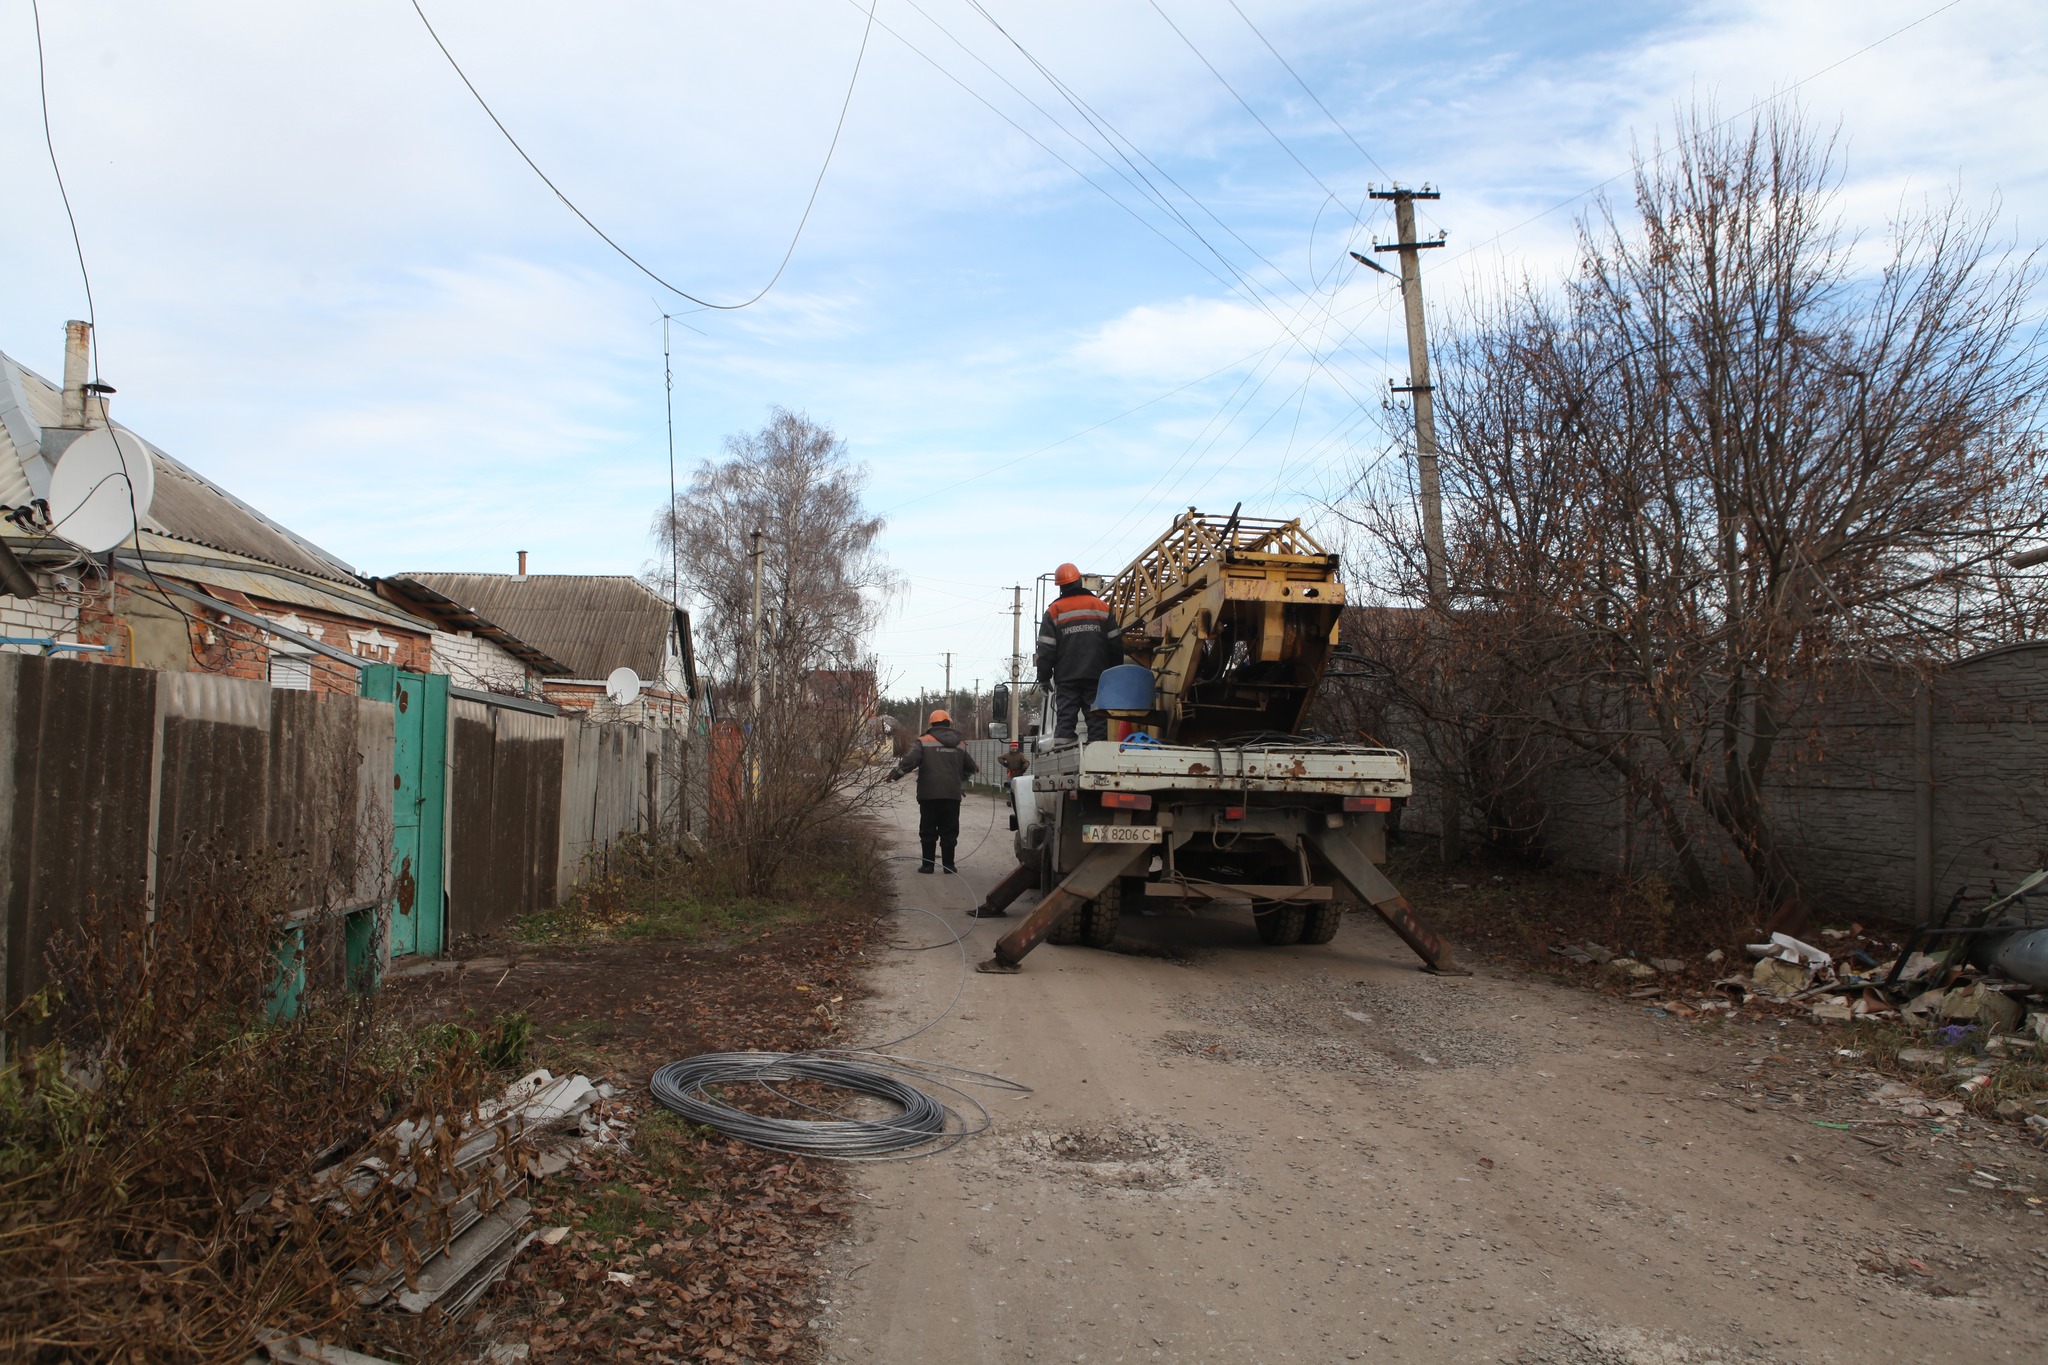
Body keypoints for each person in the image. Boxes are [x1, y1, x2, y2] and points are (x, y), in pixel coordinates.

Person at [1035, 563, 1122, 743]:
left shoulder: (1054, 611)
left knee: (1065, 721)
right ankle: (1096, 759)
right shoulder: (1101, 607)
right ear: (1080, 580)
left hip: (1067, 677)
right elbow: (1115, 643)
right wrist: (1114, 672)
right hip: (1097, 675)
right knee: (1097, 721)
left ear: (1060, 586)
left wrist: (1043, 677)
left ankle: (1063, 758)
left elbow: (1045, 650)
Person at [886, 709, 979, 874]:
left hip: (928, 795)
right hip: (952, 795)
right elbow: (971, 767)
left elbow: (909, 761)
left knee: (928, 830)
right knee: (949, 830)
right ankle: (949, 866)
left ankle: (928, 866)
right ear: (949, 723)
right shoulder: (960, 744)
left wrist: (894, 775)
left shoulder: (924, 741)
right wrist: (973, 768)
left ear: (932, 724)